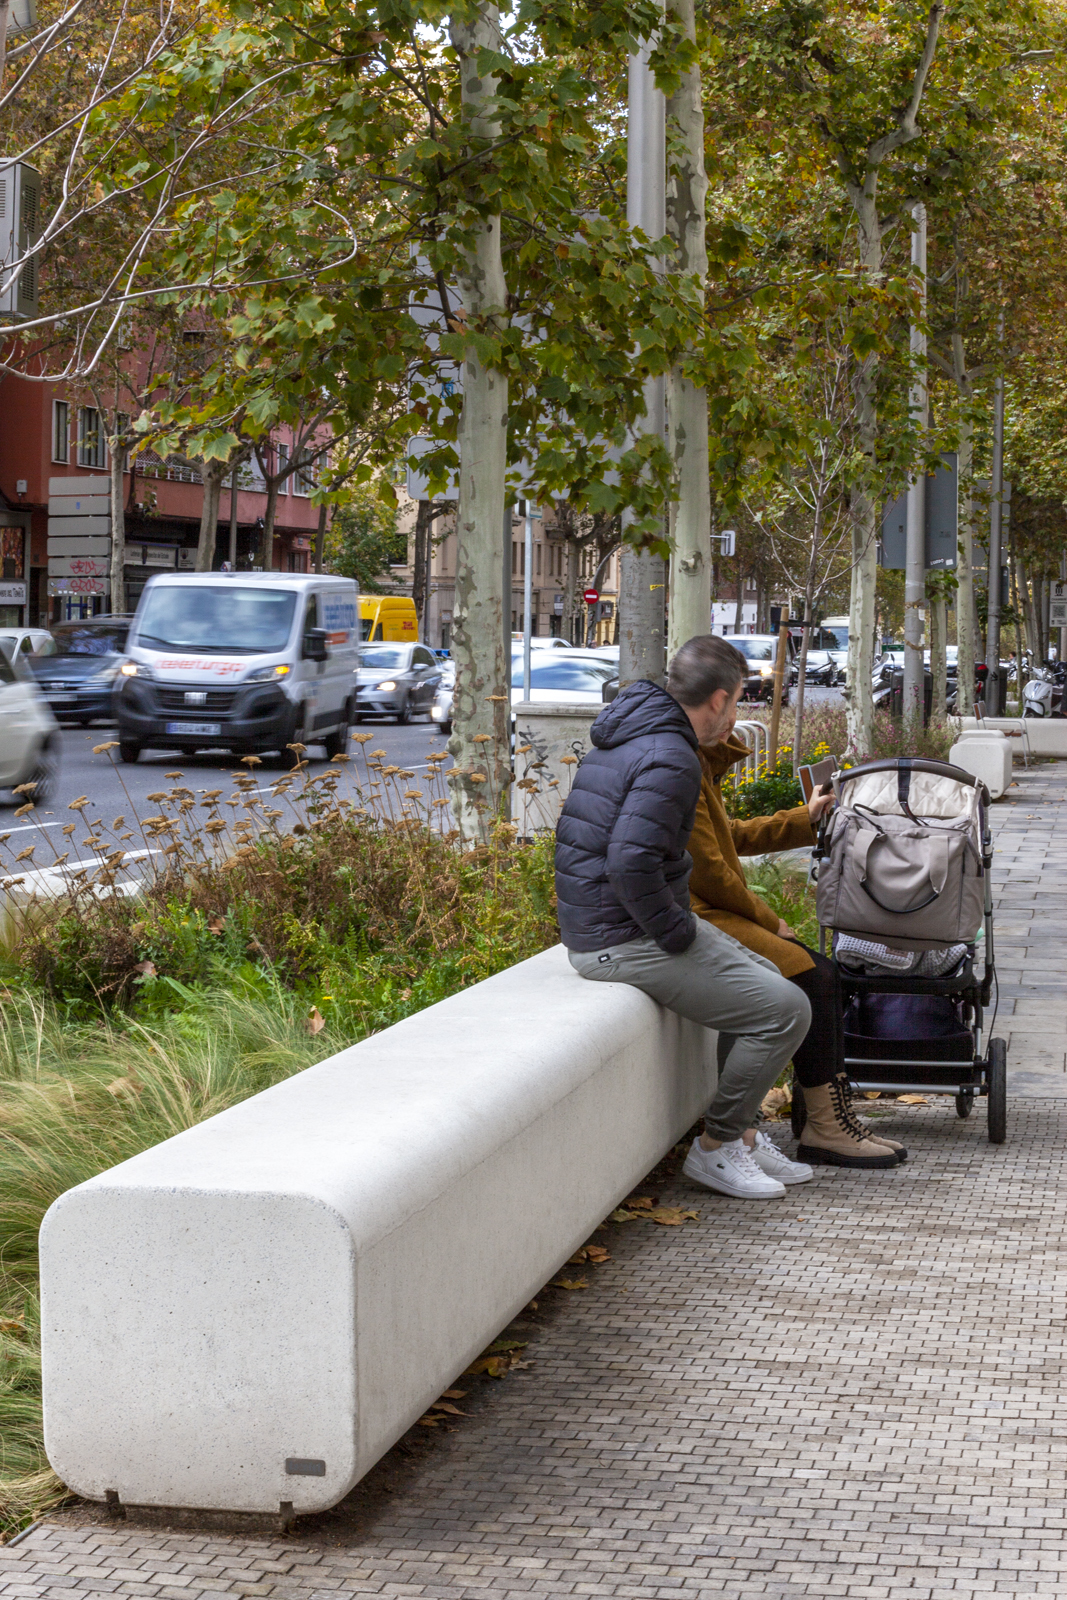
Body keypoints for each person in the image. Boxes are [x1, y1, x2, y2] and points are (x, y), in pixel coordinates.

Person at [556, 635, 814, 1201]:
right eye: (742, 699)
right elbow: (629, 863)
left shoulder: (636, 734)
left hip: (608, 925)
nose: (738, 715)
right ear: (720, 699)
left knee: (774, 983)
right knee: (786, 1009)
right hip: (620, 939)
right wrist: (676, 932)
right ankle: (717, 1148)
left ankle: (742, 1137)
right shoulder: (672, 756)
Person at [687, 733, 906, 1169]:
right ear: (716, 700)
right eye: (733, 702)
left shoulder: (696, 761)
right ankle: (820, 1128)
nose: (736, 720)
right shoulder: (682, 763)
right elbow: (707, 870)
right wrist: (769, 922)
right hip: (696, 913)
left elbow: (724, 839)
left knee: (819, 973)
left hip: (704, 910)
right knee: (814, 976)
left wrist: (801, 818)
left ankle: (812, 1124)